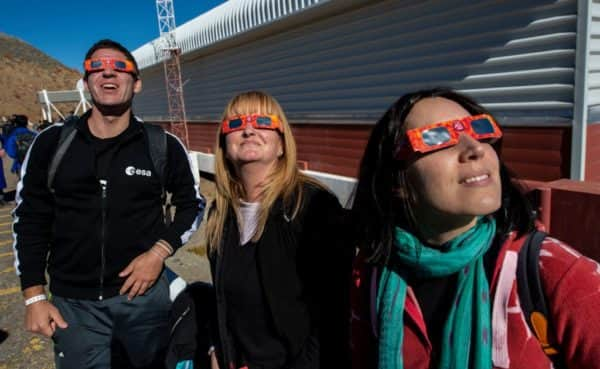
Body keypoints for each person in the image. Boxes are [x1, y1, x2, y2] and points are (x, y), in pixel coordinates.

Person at [349, 87, 600, 369]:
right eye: (438, 139)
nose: (475, 149)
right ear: (397, 182)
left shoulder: (555, 273)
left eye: (480, 130)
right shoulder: (370, 276)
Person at [13, 39, 205, 369]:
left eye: (119, 67)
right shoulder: (52, 142)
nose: (107, 74)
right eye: (96, 68)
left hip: (143, 299)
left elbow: (193, 205)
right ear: (85, 82)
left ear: (136, 82)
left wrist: (158, 252)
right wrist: (34, 296)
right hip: (73, 305)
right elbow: (29, 218)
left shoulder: (162, 145)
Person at [205, 91, 351, 369]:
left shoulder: (311, 207)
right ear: (224, 143)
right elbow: (225, 300)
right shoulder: (219, 214)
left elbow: (335, 316)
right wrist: (219, 349)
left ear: (282, 144)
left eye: (261, 121)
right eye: (235, 124)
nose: (248, 129)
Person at [4, 114, 36, 178]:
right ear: (26, 123)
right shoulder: (34, 134)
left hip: (20, 163)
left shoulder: (13, 136)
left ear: (15, 124)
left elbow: (11, 153)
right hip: (34, 163)